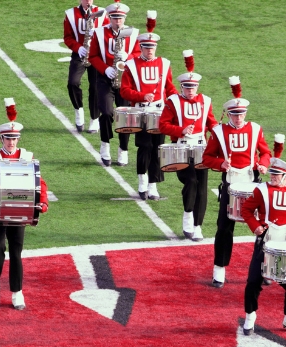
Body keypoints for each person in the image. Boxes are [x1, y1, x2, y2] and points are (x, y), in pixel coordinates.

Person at [0, 98, 48, 311]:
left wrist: (42, 203)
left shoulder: (27, 156)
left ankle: (17, 292)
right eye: (8, 139)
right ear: (1, 138)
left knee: (16, 251)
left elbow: (39, 183)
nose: (11, 143)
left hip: (19, 209)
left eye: (14, 139)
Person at [202, 76, 271, 287]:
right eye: (235, 114)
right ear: (228, 114)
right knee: (224, 227)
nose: (239, 118)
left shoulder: (255, 129)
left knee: (264, 226)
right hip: (230, 185)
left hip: (254, 184)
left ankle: (265, 268)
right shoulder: (218, 131)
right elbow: (206, 158)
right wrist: (220, 163)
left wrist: (263, 164)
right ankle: (219, 269)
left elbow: (266, 152)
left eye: (241, 114)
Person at [239, 137, 286, 335]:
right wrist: (256, 227)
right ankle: (250, 316)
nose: (272, 177)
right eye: (272, 173)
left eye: (277, 175)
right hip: (266, 241)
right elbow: (246, 210)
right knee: (253, 281)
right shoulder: (261, 190)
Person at [158, 49, 217, 237]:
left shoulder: (205, 101)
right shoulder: (172, 101)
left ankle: (198, 226)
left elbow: (211, 122)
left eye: (193, 87)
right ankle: (188, 214)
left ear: (197, 87)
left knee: (202, 186)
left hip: (201, 147)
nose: (190, 90)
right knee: (190, 181)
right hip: (181, 148)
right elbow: (163, 125)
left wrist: (218, 132)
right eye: (186, 87)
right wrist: (180, 130)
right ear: (181, 86)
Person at [119, 14, 176, 200]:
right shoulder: (131, 65)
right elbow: (124, 91)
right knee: (144, 146)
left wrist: (177, 101)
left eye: (152, 47)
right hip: (141, 111)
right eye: (146, 47)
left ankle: (153, 184)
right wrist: (142, 96)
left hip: (160, 111)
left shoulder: (165, 64)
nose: (150, 50)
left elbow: (169, 86)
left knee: (157, 148)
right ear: (141, 47)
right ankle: (142, 180)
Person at [88, 2, 140, 167]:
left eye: (121, 18)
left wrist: (129, 57)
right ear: (109, 17)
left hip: (126, 81)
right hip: (106, 79)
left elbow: (139, 53)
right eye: (115, 18)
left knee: (125, 118)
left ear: (125, 18)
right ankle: (105, 145)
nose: (118, 21)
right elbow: (93, 55)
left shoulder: (133, 33)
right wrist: (104, 69)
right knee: (107, 112)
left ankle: (123, 150)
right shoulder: (99, 32)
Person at [62, 0, 108, 133]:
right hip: (79, 54)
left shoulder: (102, 13)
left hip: (96, 55)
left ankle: (94, 119)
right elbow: (67, 37)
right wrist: (78, 48)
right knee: (72, 83)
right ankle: (79, 110)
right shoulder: (71, 14)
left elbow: (107, 34)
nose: (87, 1)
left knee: (95, 86)